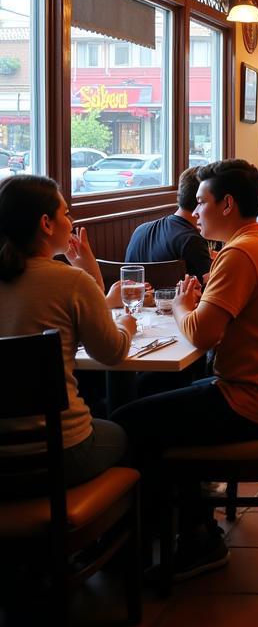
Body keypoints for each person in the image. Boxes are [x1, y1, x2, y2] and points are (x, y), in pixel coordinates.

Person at [112, 159, 258, 579]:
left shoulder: (240, 253)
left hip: (255, 399)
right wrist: (195, 309)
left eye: (201, 202)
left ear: (227, 204)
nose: (195, 211)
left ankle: (189, 535)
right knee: (150, 399)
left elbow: (201, 335)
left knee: (127, 420)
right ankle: (180, 523)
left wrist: (184, 306)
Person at [0, 175, 135, 490]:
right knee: (127, 430)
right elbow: (112, 352)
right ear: (46, 223)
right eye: (67, 214)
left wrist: (84, 267)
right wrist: (127, 325)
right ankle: (123, 532)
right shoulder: (70, 281)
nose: (71, 221)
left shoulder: (72, 279)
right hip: (59, 452)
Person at [125, 166, 212, 280]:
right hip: (174, 298)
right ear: (201, 200)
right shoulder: (192, 240)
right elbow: (211, 285)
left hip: (133, 297)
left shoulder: (140, 230)